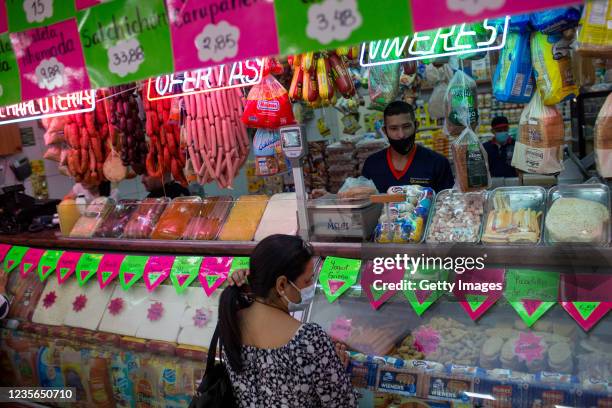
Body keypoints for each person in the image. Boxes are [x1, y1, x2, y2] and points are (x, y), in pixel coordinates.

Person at [218, 234, 357, 408]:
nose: (311, 286)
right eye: (307, 280)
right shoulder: (309, 338)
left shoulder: (231, 320)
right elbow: (343, 404)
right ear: (282, 285)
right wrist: (335, 371)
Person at [362, 101, 454, 193]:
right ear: (385, 131)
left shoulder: (438, 163)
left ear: (416, 126)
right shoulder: (372, 164)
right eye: (394, 128)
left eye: (406, 127)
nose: (401, 135)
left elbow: (448, 203)